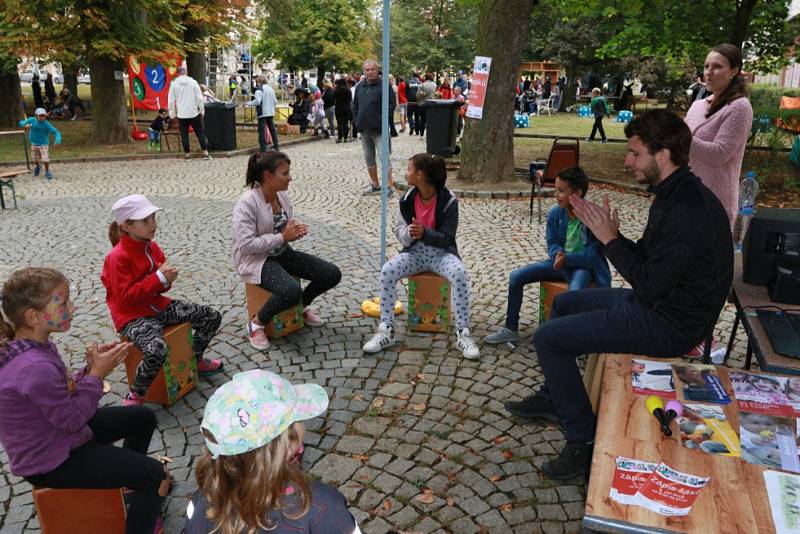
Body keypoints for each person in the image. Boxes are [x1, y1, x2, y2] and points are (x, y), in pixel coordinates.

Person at [504, 110, 733, 480]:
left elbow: (649, 283)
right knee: (563, 303)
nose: (627, 161)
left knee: (548, 339)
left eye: (634, 153)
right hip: (656, 303)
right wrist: (609, 234)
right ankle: (554, 396)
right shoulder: (672, 195)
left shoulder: (690, 208)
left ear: (663, 155)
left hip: (670, 324)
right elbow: (648, 263)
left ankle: (582, 440)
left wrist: (609, 238)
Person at [0, 267, 171, 534]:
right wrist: (97, 374)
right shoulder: (33, 367)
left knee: (142, 418)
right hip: (51, 460)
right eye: (63, 302)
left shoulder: (33, 346)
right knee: (154, 475)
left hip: (57, 434)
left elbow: (60, 394)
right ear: (33, 316)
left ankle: (128, 486)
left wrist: (88, 369)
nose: (73, 306)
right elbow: (72, 420)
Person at [185, 369, 361, 533]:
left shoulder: (204, 500)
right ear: (288, 444)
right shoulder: (322, 507)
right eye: (298, 418)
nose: (303, 423)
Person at [102, 194, 224, 406]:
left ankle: (194, 360)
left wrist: (166, 280)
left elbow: (161, 286)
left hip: (157, 306)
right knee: (156, 349)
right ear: (127, 226)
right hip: (132, 317)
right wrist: (158, 278)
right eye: (145, 221)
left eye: (153, 218)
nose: (153, 225)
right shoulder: (117, 257)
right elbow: (124, 299)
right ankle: (136, 394)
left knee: (211, 317)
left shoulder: (151, 246)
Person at [362, 153, 480, 360]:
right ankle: (386, 329)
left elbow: (447, 238)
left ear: (420, 174)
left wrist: (425, 232)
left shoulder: (448, 202)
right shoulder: (407, 200)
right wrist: (410, 233)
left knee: (459, 273)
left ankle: (463, 332)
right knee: (388, 271)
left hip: (441, 254)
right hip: (415, 253)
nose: (405, 173)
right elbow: (400, 233)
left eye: (409, 169)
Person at [484, 167, 611, 345]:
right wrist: (557, 254)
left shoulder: (592, 218)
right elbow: (552, 242)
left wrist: (568, 258)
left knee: (572, 295)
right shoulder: (555, 213)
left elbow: (594, 255)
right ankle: (510, 328)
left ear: (577, 193)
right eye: (555, 189)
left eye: (561, 190)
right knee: (516, 277)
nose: (555, 195)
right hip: (560, 263)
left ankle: (568, 341)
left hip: (582, 268)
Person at [232, 152, 342, 351]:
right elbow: (246, 245)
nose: (290, 177)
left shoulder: (281, 194)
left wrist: (294, 227)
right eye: (285, 173)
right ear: (268, 176)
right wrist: (283, 237)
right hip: (257, 260)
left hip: (282, 252)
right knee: (291, 289)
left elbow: (283, 223)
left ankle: (301, 307)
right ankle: (256, 324)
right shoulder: (247, 202)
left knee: (331, 274)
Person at [684, 43, 753, 229]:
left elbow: (719, 154)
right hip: (685, 194)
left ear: (734, 71)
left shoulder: (739, 107)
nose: (709, 72)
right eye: (706, 66)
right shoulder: (697, 106)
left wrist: (678, 137)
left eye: (717, 67)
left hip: (714, 201)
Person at [353, 59, 396, 195]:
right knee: (369, 157)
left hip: (379, 129)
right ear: (363, 71)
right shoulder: (360, 86)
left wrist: (382, 120)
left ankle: (389, 186)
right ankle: (375, 184)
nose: (369, 72)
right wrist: (356, 120)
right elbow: (355, 104)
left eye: (372, 69)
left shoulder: (384, 85)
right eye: (367, 70)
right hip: (364, 129)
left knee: (384, 157)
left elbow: (391, 104)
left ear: (377, 71)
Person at [168, 66, 211, 160]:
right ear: (186, 73)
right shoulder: (193, 82)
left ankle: (187, 154)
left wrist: (172, 114)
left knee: (184, 134)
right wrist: (201, 110)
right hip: (193, 112)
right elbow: (199, 98)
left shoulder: (174, 84)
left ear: (178, 74)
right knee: (200, 132)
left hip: (182, 114)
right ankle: (205, 153)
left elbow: (171, 100)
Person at [18, 107, 61, 180]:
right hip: (34, 143)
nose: (42, 117)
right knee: (35, 159)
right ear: (36, 115)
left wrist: (57, 141)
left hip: (43, 144)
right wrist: (25, 125)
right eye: (40, 115)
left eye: (43, 116)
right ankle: (38, 166)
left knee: (45, 159)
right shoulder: (32, 120)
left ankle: (47, 171)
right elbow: (21, 122)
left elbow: (57, 132)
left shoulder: (46, 124)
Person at [246, 75, 280, 152]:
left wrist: (248, 103)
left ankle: (263, 148)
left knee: (261, 131)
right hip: (270, 112)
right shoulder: (271, 89)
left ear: (259, 82)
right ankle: (276, 146)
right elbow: (275, 101)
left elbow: (257, 101)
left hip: (262, 113)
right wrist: (271, 107)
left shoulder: (259, 90)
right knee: (272, 130)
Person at [333, 78, 352, 143]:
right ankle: (346, 138)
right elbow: (350, 99)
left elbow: (333, 98)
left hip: (339, 107)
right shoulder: (348, 90)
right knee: (345, 123)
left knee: (339, 123)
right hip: (347, 107)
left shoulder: (337, 90)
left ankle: (340, 137)